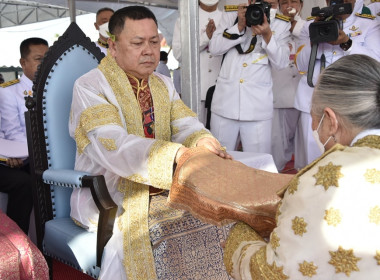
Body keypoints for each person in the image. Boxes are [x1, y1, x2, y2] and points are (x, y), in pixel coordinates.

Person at [68, 6, 232, 280]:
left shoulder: (162, 83)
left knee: (220, 213)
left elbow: (186, 126)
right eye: (137, 43)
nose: (148, 50)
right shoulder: (90, 86)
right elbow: (114, 145)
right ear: (113, 46)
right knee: (160, 230)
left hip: (168, 183)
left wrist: (203, 143)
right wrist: (177, 155)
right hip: (111, 193)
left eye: (154, 41)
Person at [224, 54, 380, 280]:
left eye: (314, 118)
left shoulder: (327, 178)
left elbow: (273, 272)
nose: (314, 127)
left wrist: (239, 235)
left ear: (331, 120)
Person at [293, 0, 380, 170]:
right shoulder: (311, 24)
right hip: (313, 104)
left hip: (351, 106)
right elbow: (302, 66)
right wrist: (315, 39)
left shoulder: (368, 23)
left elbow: (375, 63)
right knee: (311, 164)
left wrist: (346, 42)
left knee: (349, 165)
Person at [209, 0, 291, 153]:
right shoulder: (232, 14)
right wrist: (239, 26)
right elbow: (214, 48)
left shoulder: (282, 24)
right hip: (225, 105)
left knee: (257, 164)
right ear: (250, 1)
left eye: (271, 5)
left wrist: (268, 35)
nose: (263, 7)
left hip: (257, 109)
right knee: (219, 161)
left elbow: (281, 63)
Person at [0, 37, 49, 234]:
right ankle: (15, 241)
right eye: (38, 59)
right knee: (27, 183)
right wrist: (22, 154)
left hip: (47, 155)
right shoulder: (9, 92)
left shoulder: (54, 87)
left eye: (48, 58)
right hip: (26, 156)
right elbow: (12, 132)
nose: (44, 64)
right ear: (23, 63)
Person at [172, 0, 223, 125]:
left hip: (222, 88)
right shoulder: (185, 19)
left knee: (219, 137)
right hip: (195, 88)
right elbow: (178, 54)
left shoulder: (227, 18)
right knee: (195, 133)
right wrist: (205, 37)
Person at [271, 0, 305, 172]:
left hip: (304, 95)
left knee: (304, 146)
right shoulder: (271, 28)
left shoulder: (308, 26)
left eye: (293, 1)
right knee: (278, 144)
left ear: (301, 5)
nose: (289, 5)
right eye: (284, 2)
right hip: (280, 92)